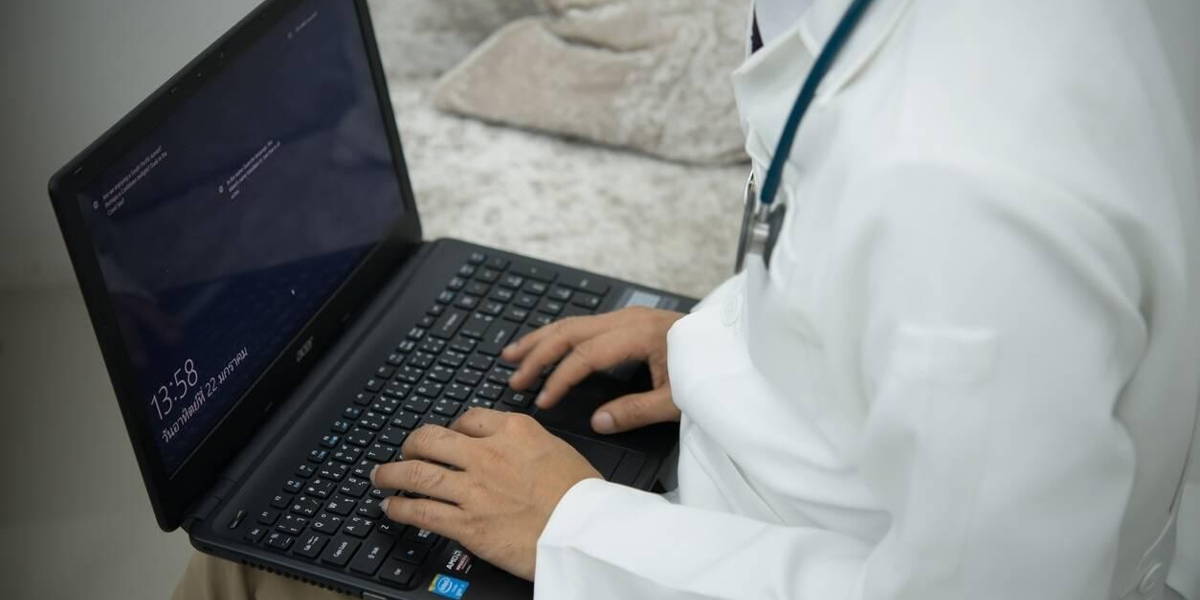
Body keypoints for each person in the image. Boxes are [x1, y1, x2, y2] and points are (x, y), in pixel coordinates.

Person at [176, 0, 1199, 598]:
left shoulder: (961, 185)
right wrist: (734, 347)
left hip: (715, 547)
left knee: (243, 551)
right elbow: (860, 258)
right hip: (771, 496)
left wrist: (572, 529)